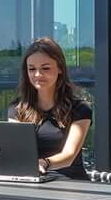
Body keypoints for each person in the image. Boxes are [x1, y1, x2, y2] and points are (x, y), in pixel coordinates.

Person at [11, 37, 92, 179]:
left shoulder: (80, 109)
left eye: (45, 68)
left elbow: (69, 155)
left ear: (60, 68)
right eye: (32, 69)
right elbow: (17, 151)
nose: (37, 74)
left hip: (71, 185)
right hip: (32, 183)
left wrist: (44, 163)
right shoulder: (17, 108)